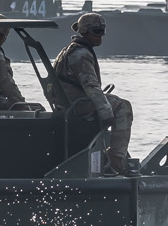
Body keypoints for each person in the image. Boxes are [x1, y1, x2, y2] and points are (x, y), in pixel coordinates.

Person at [48, 12, 134, 175]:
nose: (100, 36)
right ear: (84, 32)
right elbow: (91, 86)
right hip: (77, 105)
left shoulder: (72, 50)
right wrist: (106, 111)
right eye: (96, 31)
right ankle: (116, 161)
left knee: (115, 102)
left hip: (71, 102)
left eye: (102, 31)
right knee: (123, 107)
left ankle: (110, 155)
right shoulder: (81, 54)